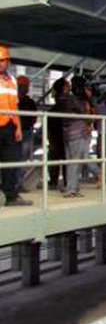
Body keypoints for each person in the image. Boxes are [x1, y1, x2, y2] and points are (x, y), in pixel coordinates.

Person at [0, 46, 32, 206]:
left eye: (3, 60)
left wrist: (18, 127)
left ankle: (11, 196)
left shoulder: (12, 81)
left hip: (10, 126)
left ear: (8, 62)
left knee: (11, 161)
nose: (1, 63)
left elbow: (15, 106)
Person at [59, 76, 89, 197]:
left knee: (72, 162)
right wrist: (87, 99)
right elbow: (82, 110)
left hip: (68, 133)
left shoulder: (65, 98)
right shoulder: (72, 99)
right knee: (75, 162)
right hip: (76, 133)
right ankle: (71, 189)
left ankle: (72, 188)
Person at [48, 77, 70, 190]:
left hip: (55, 133)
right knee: (66, 158)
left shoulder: (56, 105)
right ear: (64, 87)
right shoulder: (68, 101)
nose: (70, 87)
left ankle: (53, 182)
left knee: (54, 158)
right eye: (68, 85)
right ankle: (67, 182)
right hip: (64, 133)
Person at [17, 75, 37, 192]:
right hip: (21, 132)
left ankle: (17, 184)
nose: (25, 88)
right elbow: (33, 118)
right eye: (23, 86)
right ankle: (15, 184)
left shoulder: (28, 101)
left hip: (23, 132)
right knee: (19, 159)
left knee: (20, 159)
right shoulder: (28, 102)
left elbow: (34, 118)